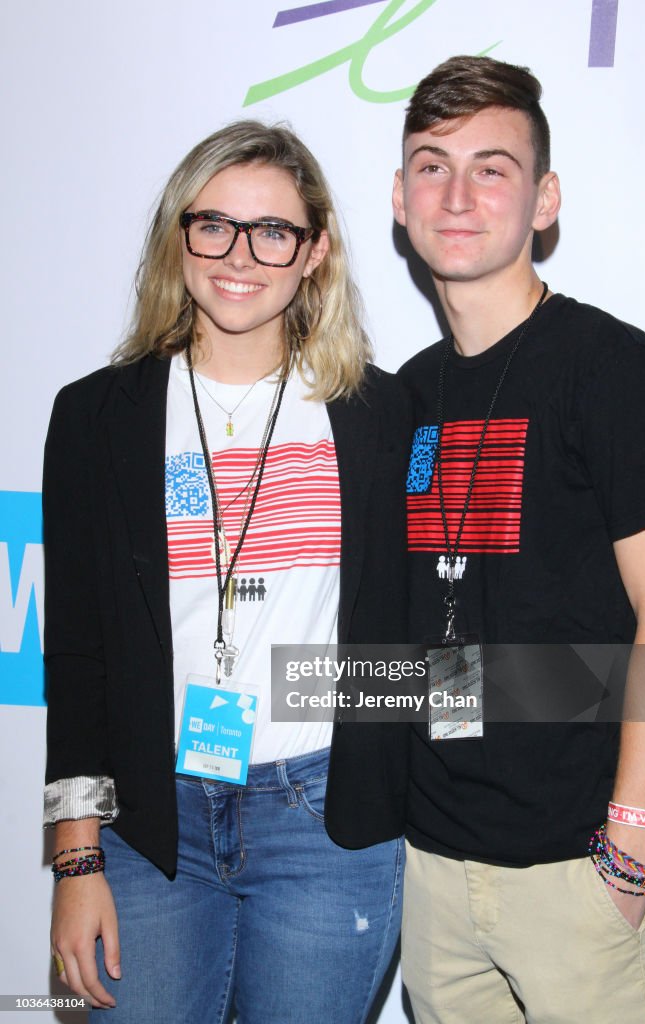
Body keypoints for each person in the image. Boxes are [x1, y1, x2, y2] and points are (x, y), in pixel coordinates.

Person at [43, 120, 410, 1023]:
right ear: (181, 236)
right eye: (214, 225)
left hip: (324, 821)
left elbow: (425, 632)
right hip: (148, 826)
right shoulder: (96, 417)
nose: (240, 255)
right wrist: (77, 861)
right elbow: (79, 659)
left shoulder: (381, 413)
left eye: (273, 231)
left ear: (314, 251)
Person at [393, 55, 645, 1023]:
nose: (458, 193)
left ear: (542, 198)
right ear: (400, 199)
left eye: (492, 166)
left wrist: (632, 839)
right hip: (433, 874)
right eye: (431, 165)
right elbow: (449, 635)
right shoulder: (405, 391)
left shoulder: (615, 369)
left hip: (579, 876)